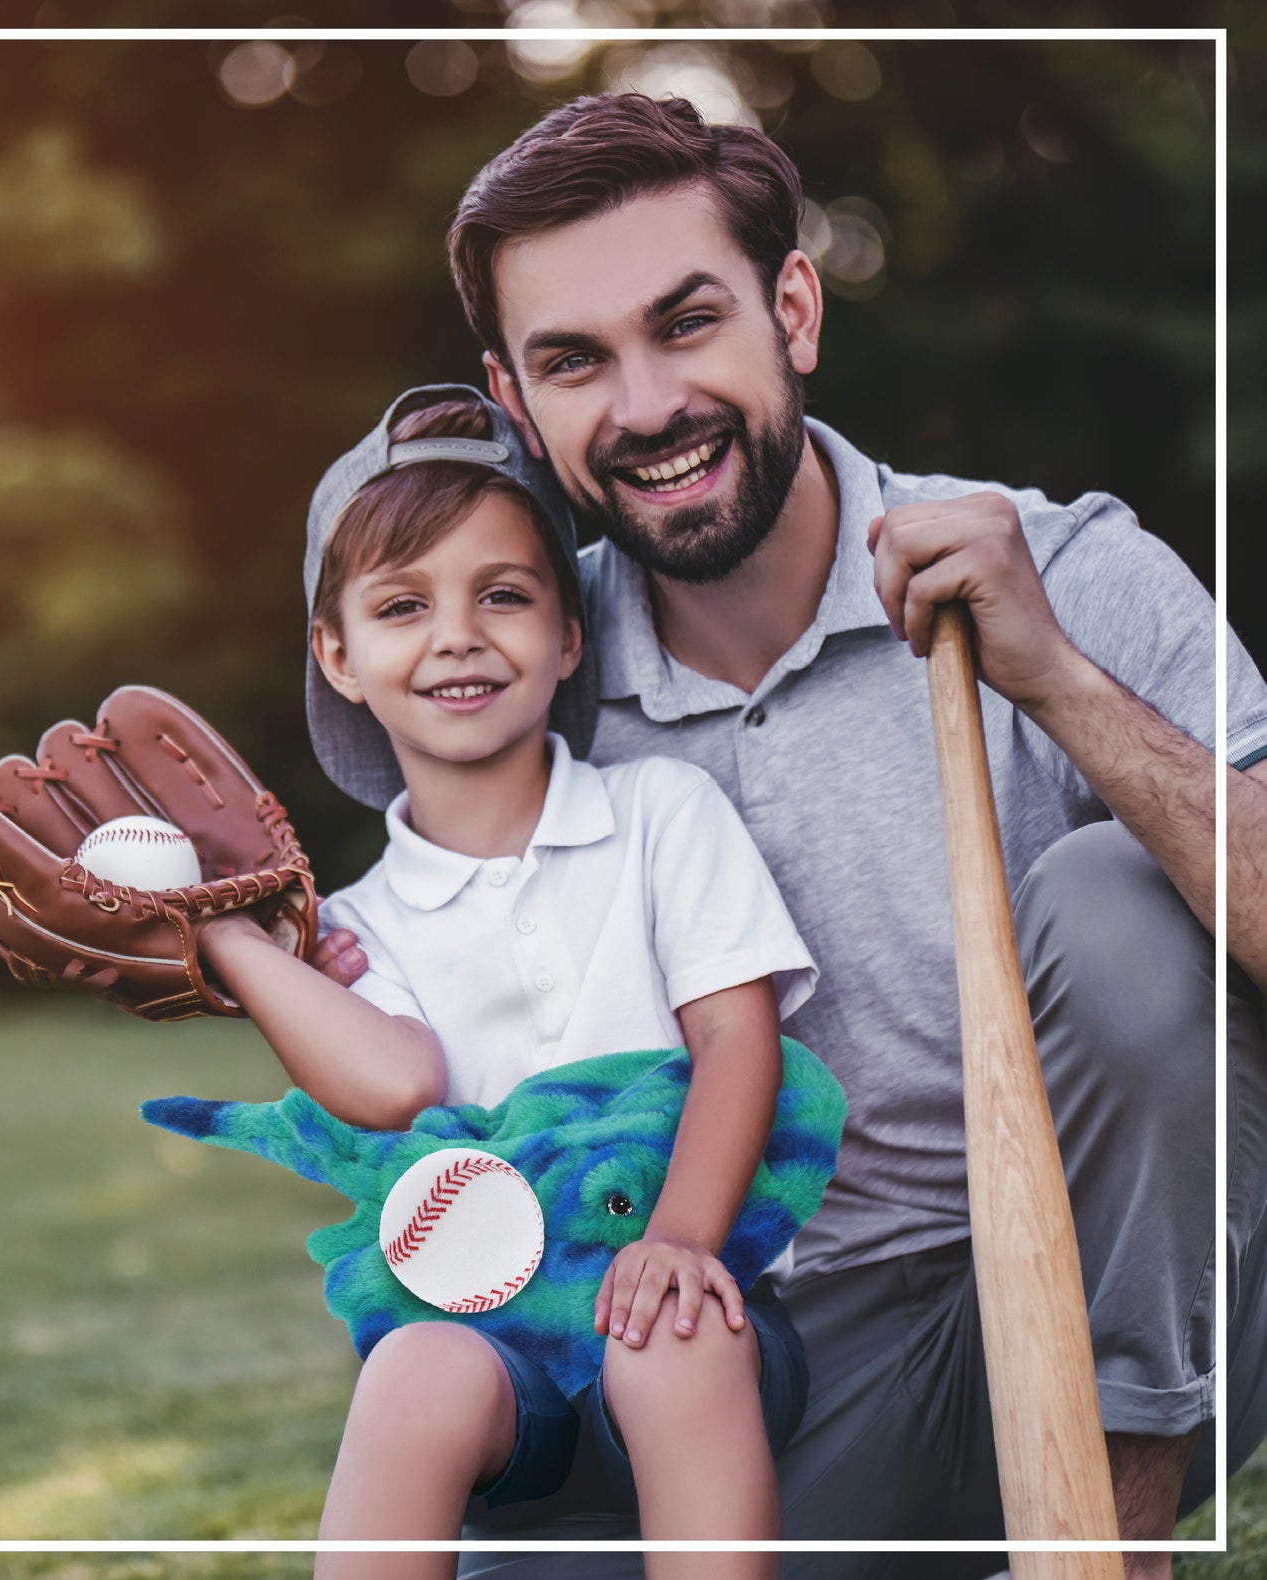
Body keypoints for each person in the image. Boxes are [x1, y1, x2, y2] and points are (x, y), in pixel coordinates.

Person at [309, 94, 1267, 1578]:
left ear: (794, 307)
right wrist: (210, 938)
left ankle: (1095, 1555)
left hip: (1117, 1301)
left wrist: (1062, 684)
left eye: (686, 323)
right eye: (574, 361)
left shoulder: (1063, 567)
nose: (642, 407)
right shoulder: (516, 663)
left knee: (1114, 902)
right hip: (748, 1362)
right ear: (514, 396)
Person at [198, 384, 824, 1579]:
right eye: (399, 605)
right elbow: (393, 1080)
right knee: (411, 1366)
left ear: (568, 631)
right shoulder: (351, 930)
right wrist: (231, 941)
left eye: (503, 594)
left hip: (703, 1322)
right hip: (502, 1365)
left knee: (671, 1332)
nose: (456, 635)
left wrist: (679, 1239)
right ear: (335, 653)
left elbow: (739, 1043)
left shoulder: (657, 814)